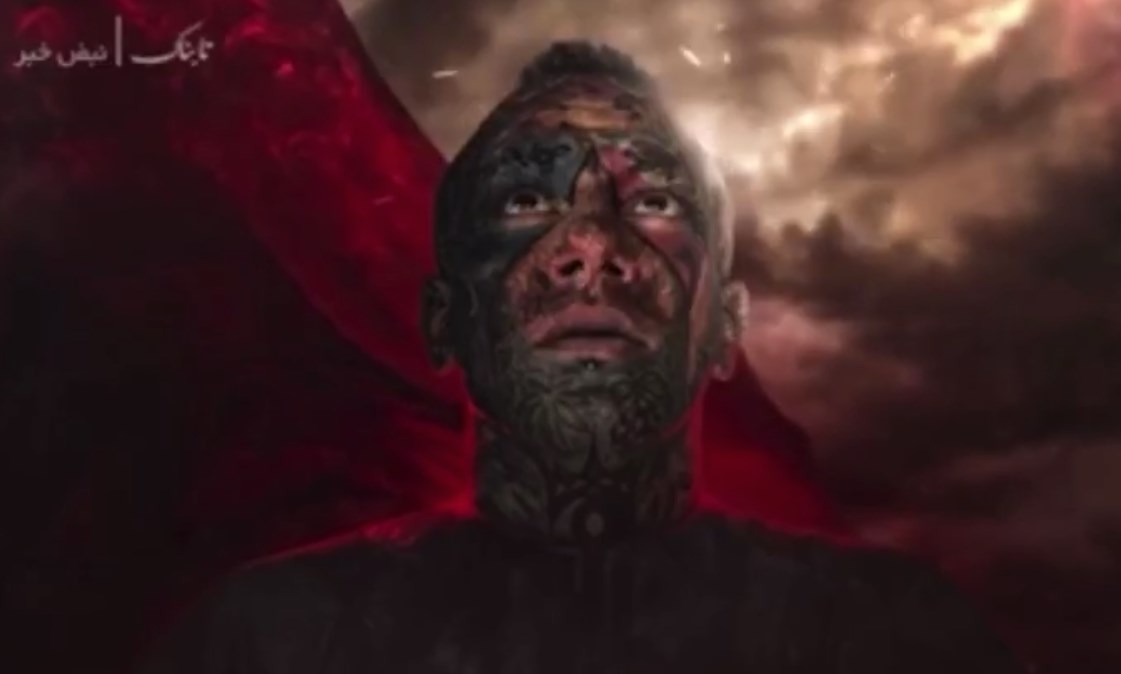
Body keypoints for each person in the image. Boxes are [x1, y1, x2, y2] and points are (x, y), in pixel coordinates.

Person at [139, 41, 1024, 674]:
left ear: (725, 326)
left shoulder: (896, 637)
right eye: (526, 199)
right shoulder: (270, 640)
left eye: (654, 201)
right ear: (444, 321)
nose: (592, 246)